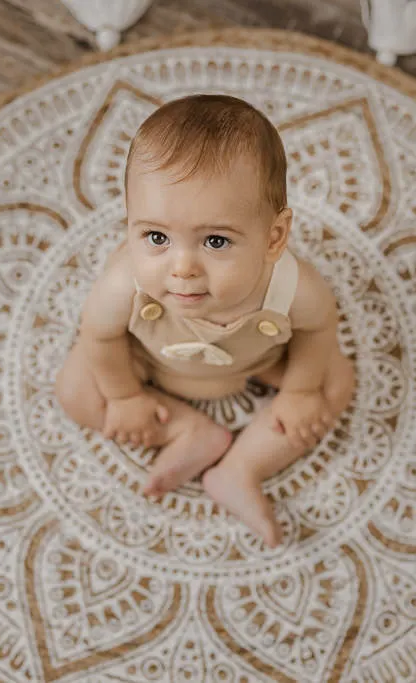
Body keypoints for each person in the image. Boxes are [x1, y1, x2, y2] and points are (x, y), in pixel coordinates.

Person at [55, 94, 355, 547]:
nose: (182, 268)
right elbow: (99, 337)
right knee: (74, 389)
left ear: (273, 238)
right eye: (156, 236)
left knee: (337, 381)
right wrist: (125, 396)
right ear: (130, 224)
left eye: (215, 241)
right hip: (148, 363)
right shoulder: (124, 285)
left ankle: (242, 467)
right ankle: (185, 430)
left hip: (257, 361)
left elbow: (319, 329)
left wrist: (300, 390)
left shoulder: (293, 287)